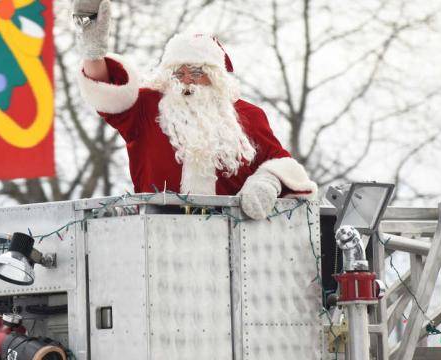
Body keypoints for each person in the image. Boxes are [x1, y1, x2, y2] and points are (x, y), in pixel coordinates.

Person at [74, 0, 317, 219]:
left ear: (215, 76)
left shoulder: (249, 116)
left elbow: (281, 164)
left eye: (197, 72)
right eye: (179, 72)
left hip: (230, 238)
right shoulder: (148, 107)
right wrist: (92, 52)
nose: (187, 79)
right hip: (156, 234)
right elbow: (107, 91)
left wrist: (267, 181)